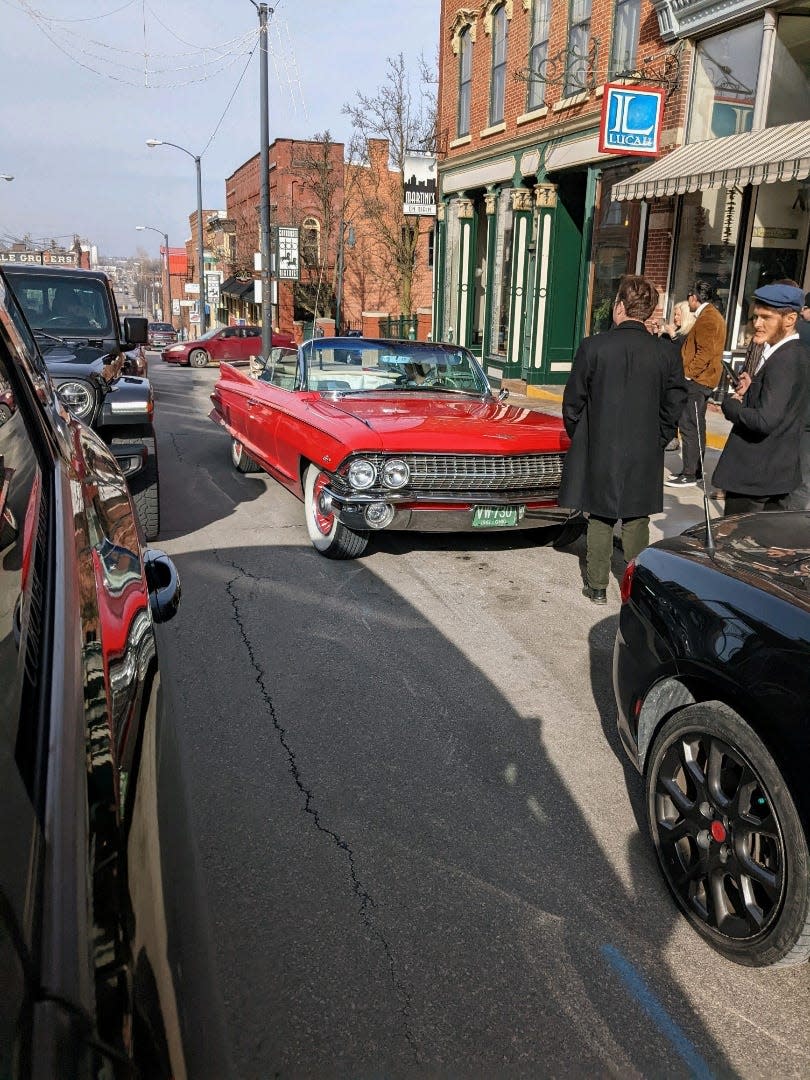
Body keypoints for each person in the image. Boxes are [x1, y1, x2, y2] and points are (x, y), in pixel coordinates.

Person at [558, 274, 687, 604]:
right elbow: (674, 403)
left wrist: (582, 437)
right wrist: (658, 438)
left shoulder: (594, 346)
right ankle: (635, 590)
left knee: (600, 516)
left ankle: (598, 586)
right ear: (649, 312)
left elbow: (573, 401)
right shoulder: (665, 353)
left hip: (600, 445)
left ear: (619, 307)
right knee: (636, 518)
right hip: (643, 447)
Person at [712, 283, 810, 516]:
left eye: (766, 317)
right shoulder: (790, 353)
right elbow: (783, 403)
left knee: (736, 546)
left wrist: (732, 403)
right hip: (770, 475)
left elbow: (766, 420)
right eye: (756, 316)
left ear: (790, 319)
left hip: (756, 478)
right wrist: (753, 387)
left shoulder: (785, 359)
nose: (757, 324)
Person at [665, 281, 725, 488]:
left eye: (689, 296)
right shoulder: (708, 314)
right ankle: (693, 470)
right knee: (693, 425)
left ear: (694, 297)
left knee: (690, 426)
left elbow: (705, 352)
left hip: (698, 382)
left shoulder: (708, 317)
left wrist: (688, 374)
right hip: (700, 380)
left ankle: (690, 473)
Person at [657, 300, 696, 451]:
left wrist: (672, 334)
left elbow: (682, 352)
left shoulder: (688, 334)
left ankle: (672, 438)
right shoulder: (674, 331)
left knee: (674, 405)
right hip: (666, 375)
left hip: (681, 376)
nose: (675, 317)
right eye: (675, 314)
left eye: (678, 314)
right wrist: (658, 333)